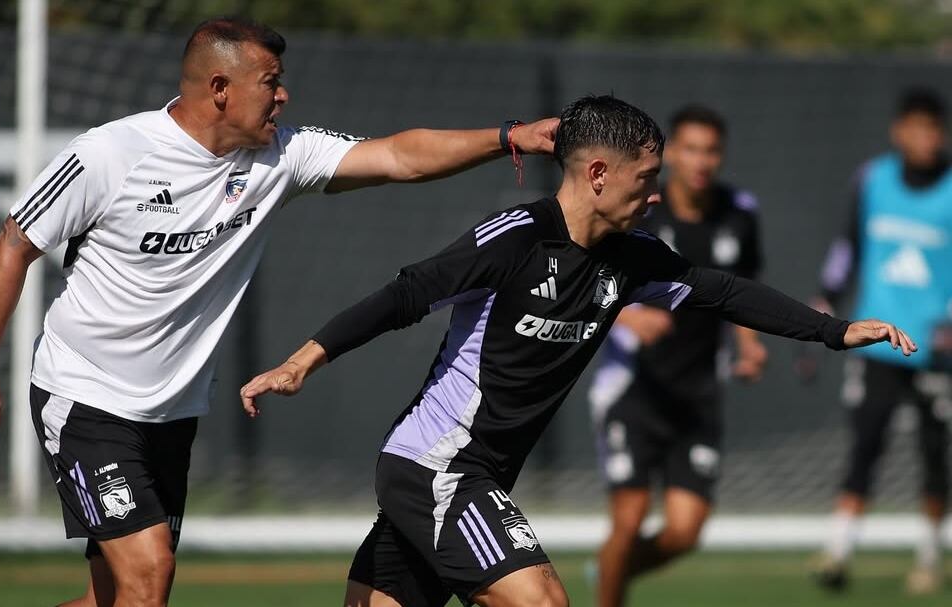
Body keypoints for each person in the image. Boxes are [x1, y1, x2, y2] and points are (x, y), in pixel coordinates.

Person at [0, 16, 559, 607]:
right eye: (271, 82)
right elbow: (12, 247)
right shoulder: (109, 154)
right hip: (86, 397)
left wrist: (507, 137)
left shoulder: (281, 157)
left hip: (171, 414)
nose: (283, 96)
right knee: (149, 575)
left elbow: (400, 156)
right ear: (220, 88)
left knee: (113, 598)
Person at [240, 94, 915, 607]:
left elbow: (722, 291)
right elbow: (406, 294)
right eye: (645, 178)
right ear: (597, 173)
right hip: (439, 466)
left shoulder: (632, 256)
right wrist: (304, 360)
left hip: (474, 473)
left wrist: (835, 330)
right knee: (543, 602)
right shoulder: (516, 239)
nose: (655, 194)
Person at [587, 104, 765, 607]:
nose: (701, 161)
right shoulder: (639, 209)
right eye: (690, 149)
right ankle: (610, 582)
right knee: (628, 520)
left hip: (697, 393)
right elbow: (588, 282)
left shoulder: (740, 213)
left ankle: (609, 571)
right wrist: (628, 317)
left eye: (711, 150)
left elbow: (744, 292)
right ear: (671, 155)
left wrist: (749, 345)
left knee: (685, 532)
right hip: (634, 390)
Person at [810, 86, 952, 595]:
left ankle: (930, 557)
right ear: (898, 131)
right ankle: (838, 551)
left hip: (936, 348)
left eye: (933, 129)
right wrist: (826, 298)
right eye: (915, 128)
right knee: (865, 444)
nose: (925, 138)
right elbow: (847, 246)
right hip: (878, 341)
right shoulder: (873, 179)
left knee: (935, 454)